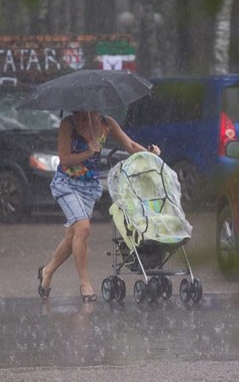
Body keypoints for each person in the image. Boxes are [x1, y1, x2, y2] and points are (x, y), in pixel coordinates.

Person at [37, 110, 160, 302]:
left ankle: (47, 271)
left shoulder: (106, 123)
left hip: (89, 187)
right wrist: (88, 152)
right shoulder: (68, 124)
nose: (92, 111)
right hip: (67, 184)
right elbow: (64, 158)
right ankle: (85, 284)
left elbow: (130, 145)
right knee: (83, 229)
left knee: (73, 235)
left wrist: (150, 154)